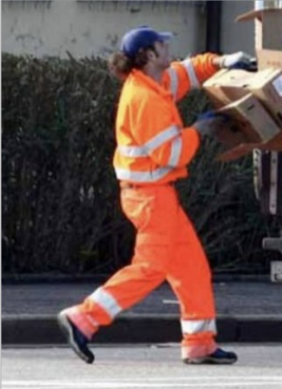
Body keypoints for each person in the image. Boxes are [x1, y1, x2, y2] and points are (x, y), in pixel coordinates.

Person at [57, 26, 251, 365]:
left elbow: (189, 71)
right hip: (150, 198)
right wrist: (199, 131)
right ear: (148, 55)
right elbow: (171, 155)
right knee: (149, 269)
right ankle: (83, 318)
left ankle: (199, 343)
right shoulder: (145, 99)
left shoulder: (154, 83)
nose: (169, 48)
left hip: (156, 195)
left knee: (191, 268)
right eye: (163, 44)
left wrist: (224, 61)